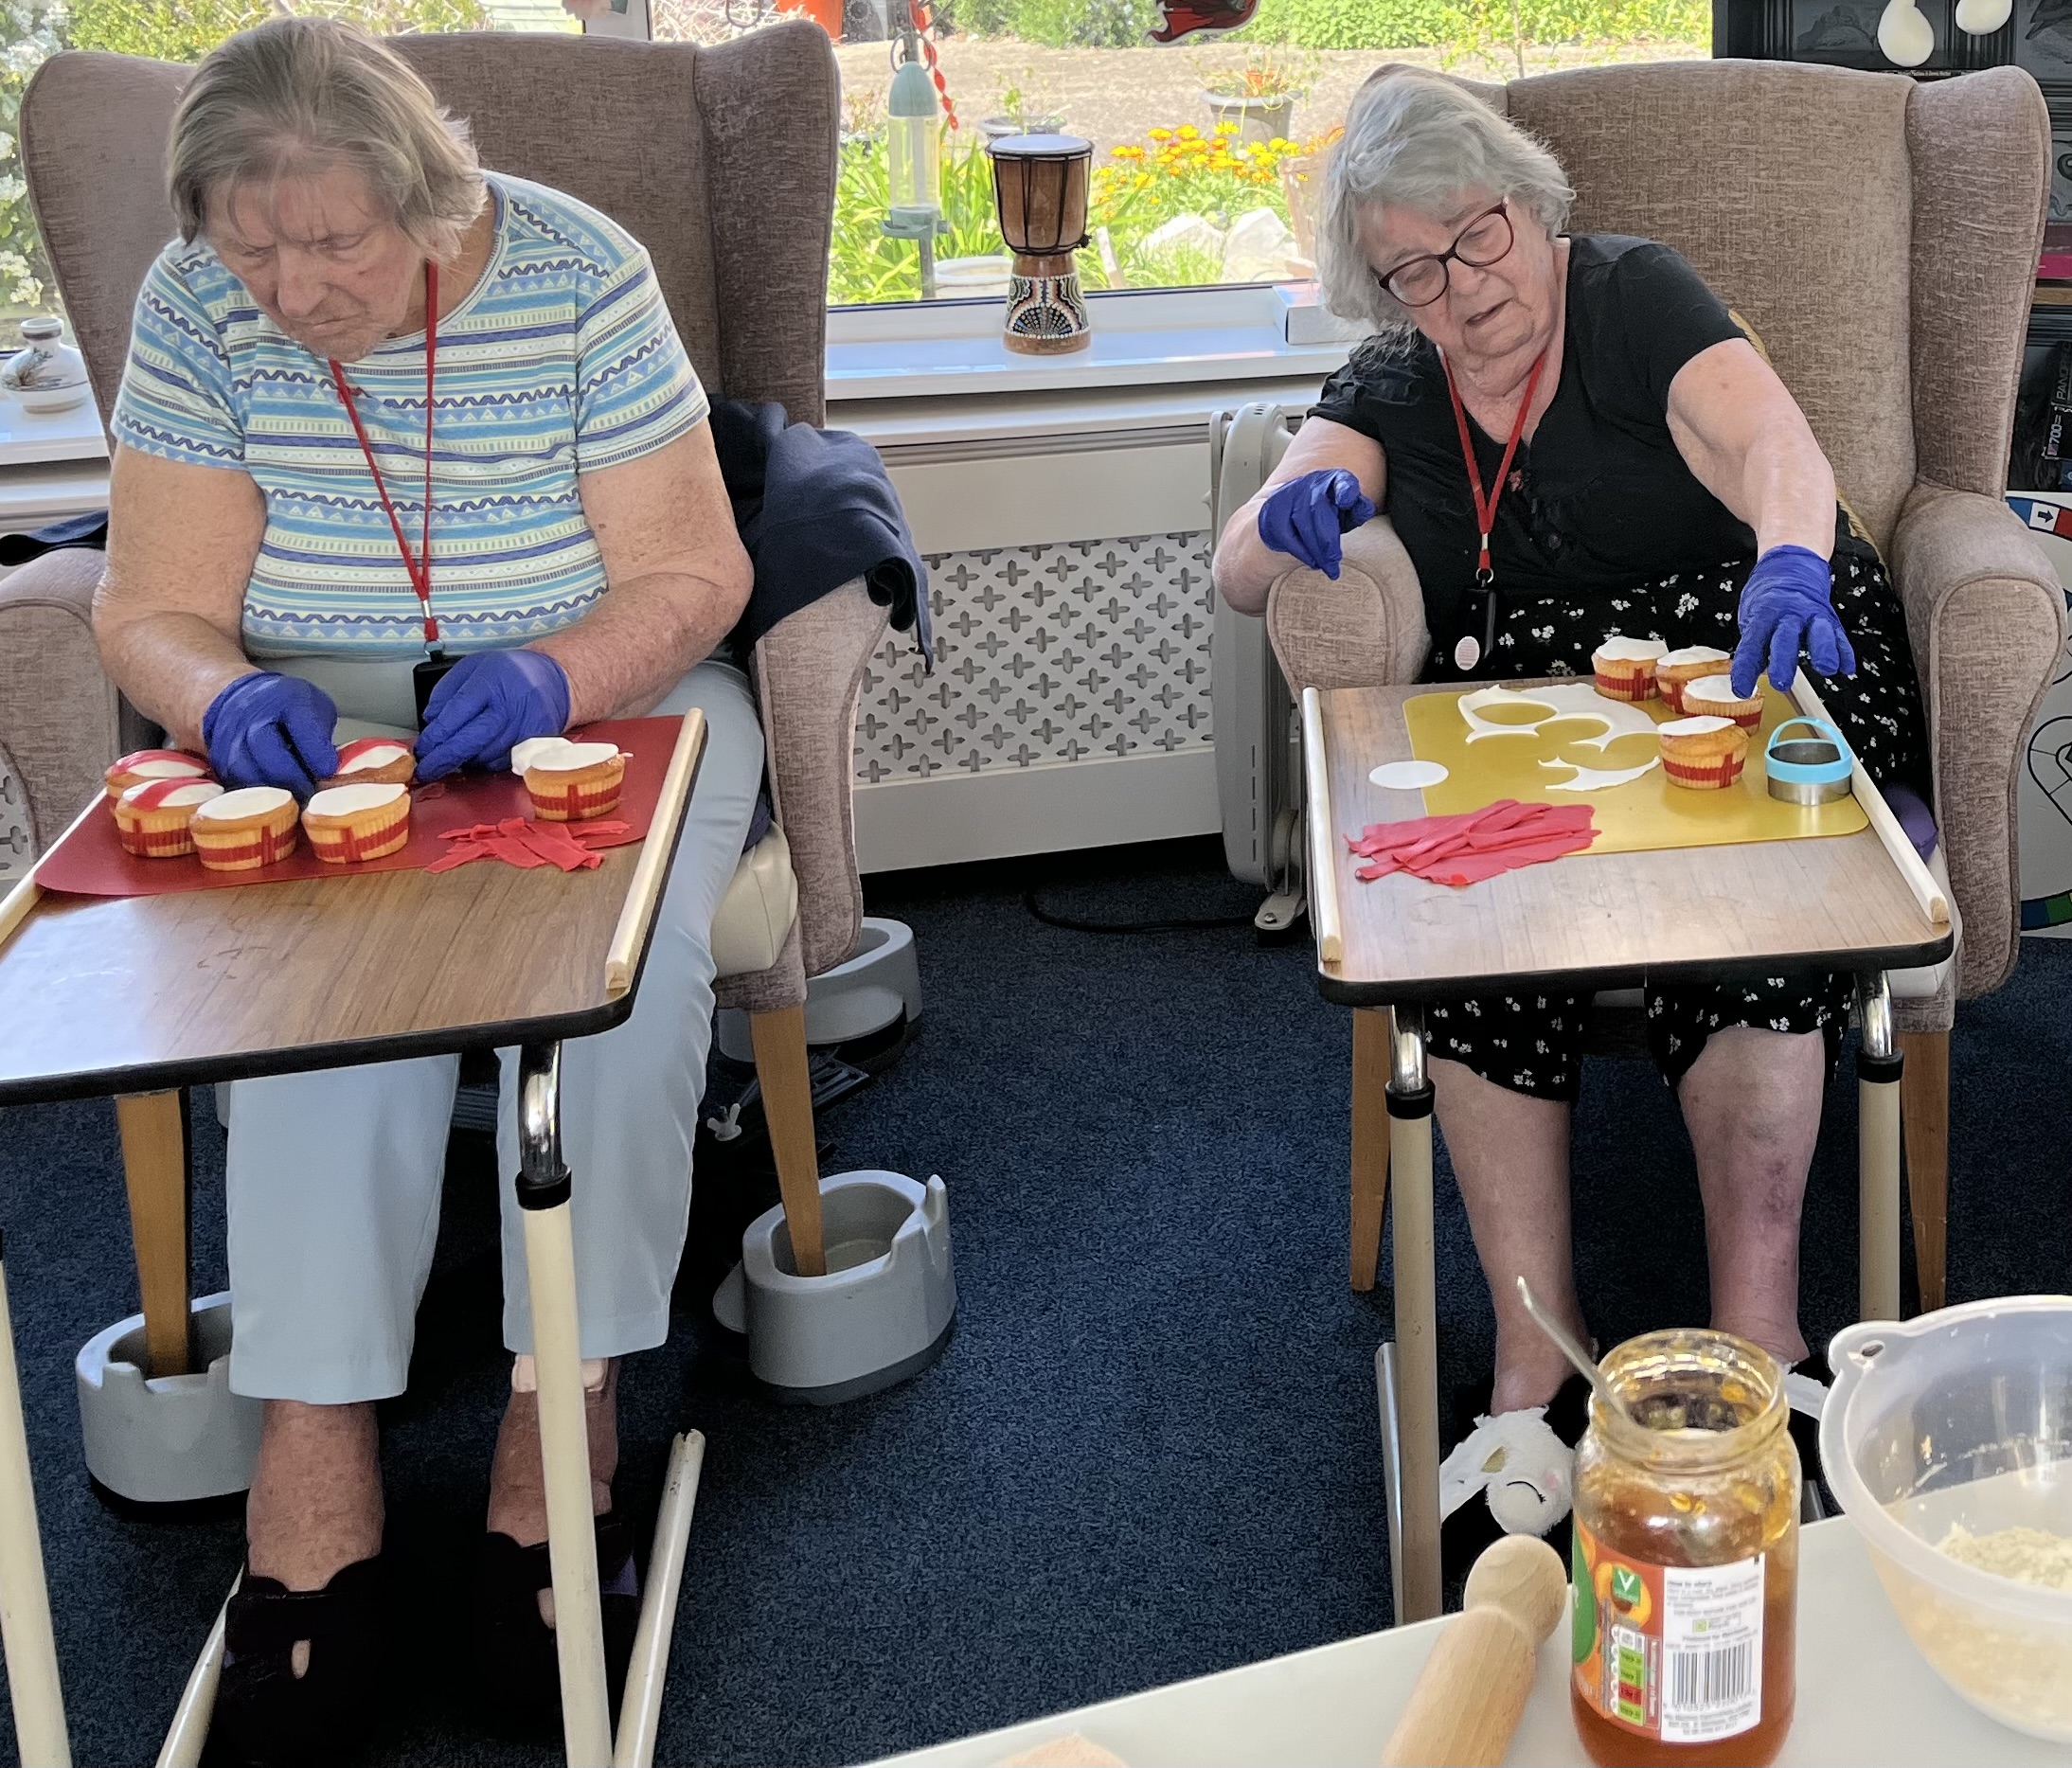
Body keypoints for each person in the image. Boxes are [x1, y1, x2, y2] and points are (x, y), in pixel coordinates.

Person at [98, 18, 759, 1760]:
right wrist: (211, 691)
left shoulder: (573, 271)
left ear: (431, 198)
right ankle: (311, 1459)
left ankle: (570, 1414)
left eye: (338, 246)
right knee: (320, 1006)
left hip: (605, 693)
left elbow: (698, 570)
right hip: (320, 715)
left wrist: (557, 674)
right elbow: (149, 601)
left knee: (621, 983)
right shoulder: (197, 302)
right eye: (256, 245)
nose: (294, 289)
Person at [1214, 67, 1934, 1551]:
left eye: (1476, 239)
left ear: (1531, 209)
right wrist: (1283, 522)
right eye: (1415, 267)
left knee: (1756, 910)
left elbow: (1773, 451)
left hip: (1745, 643)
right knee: (1473, 916)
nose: (1462, 289)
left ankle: (1760, 1343)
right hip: (1540, 706)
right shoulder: (1394, 382)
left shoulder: (1631, 295)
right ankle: (1534, 1359)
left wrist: (1793, 559)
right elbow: (1241, 561)